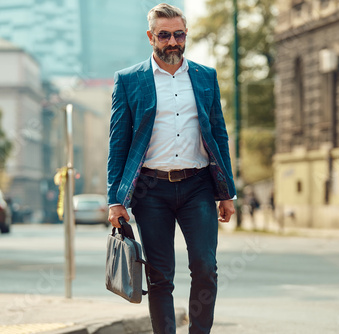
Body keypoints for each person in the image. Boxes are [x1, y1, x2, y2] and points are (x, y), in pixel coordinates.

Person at [107, 3, 236, 333]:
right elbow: (118, 143)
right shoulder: (129, 81)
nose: (173, 42)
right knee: (160, 275)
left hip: (198, 187)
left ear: (186, 34)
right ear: (151, 36)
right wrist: (115, 200)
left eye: (179, 34)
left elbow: (218, 134)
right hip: (151, 191)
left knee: (205, 267)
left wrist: (227, 193)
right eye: (164, 35)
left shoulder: (205, 77)